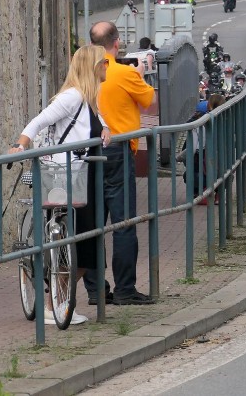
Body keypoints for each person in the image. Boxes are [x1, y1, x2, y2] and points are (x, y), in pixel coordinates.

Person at [8, 45, 112, 325]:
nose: (108, 67)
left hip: (80, 177)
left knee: (86, 245)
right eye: (105, 62)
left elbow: (98, 123)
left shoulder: (88, 98)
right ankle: (57, 303)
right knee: (76, 242)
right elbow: (38, 122)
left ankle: (60, 301)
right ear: (93, 66)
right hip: (64, 175)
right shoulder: (72, 96)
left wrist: (104, 129)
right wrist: (21, 144)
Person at [85, 21, 156, 306]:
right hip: (116, 150)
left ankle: (95, 290)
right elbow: (149, 101)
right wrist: (139, 73)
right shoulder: (124, 72)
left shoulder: (82, 73)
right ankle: (125, 289)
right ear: (116, 44)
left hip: (85, 151)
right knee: (123, 222)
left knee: (92, 224)